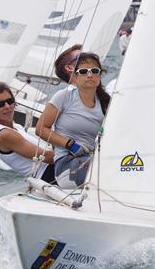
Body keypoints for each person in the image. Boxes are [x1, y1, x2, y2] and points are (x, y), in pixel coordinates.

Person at [37, 52, 110, 187]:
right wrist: (71, 144)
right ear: (75, 76)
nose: (89, 75)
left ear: (100, 76)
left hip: (94, 161)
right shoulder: (63, 96)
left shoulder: (106, 104)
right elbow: (41, 129)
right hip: (67, 165)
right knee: (107, 172)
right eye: (83, 71)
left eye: (94, 71)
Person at [0, 82, 54, 179]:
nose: (7, 106)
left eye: (10, 101)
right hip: (49, 175)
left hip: (53, 170)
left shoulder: (16, 127)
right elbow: (46, 157)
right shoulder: (5, 134)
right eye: (0, 104)